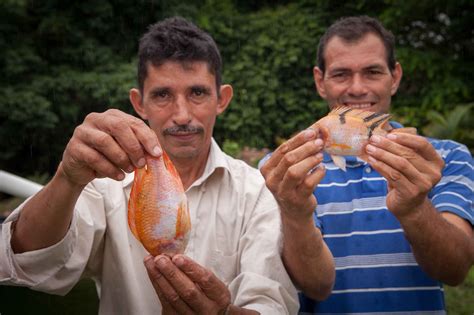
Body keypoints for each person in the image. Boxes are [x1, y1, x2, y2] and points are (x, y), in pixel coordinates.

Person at [0, 17, 308, 314]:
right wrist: (67, 178)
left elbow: (271, 303)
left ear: (222, 99)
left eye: (197, 93)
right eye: (162, 95)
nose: (182, 115)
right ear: (138, 103)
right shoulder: (106, 183)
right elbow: (28, 263)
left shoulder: (256, 191)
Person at [260, 15, 474, 314]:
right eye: (341, 74)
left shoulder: (443, 157)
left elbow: (455, 270)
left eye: (372, 71)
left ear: (395, 77)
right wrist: (294, 213)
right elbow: (311, 285)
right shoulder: (285, 170)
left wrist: (414, 208)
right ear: (320, 81)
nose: (357, 88)